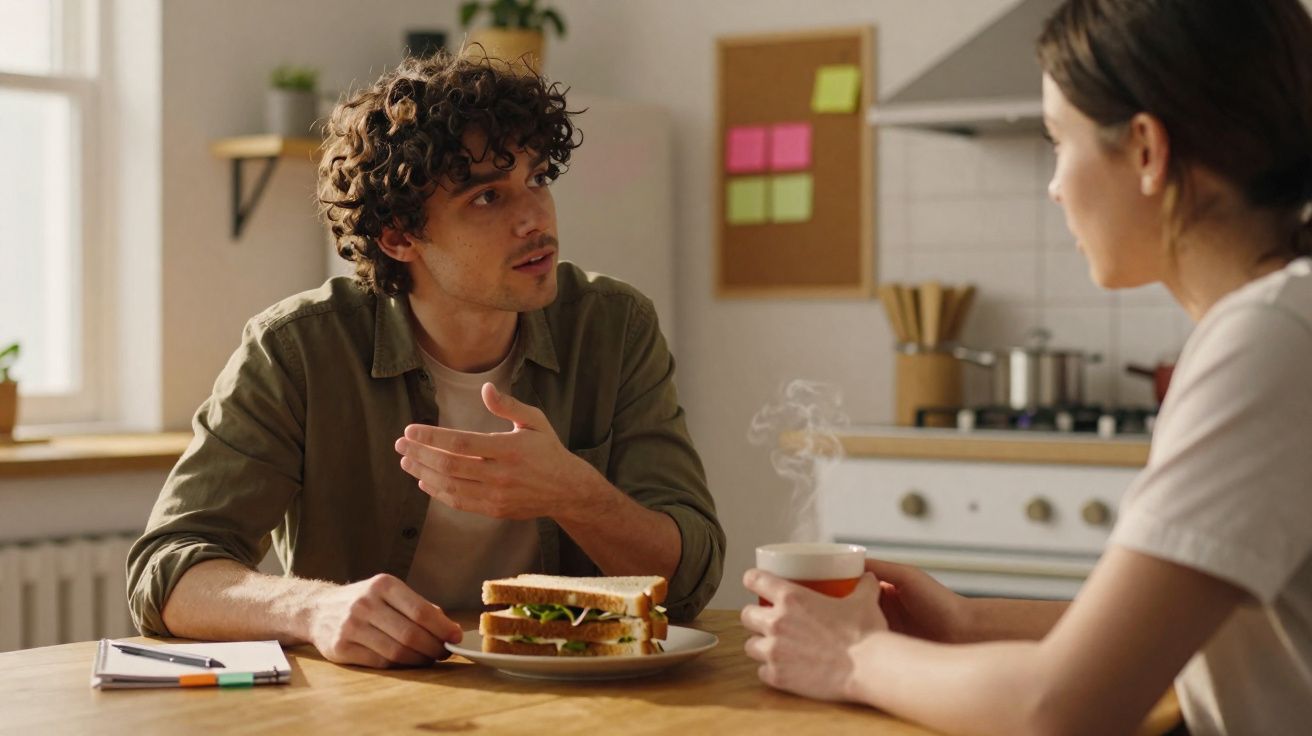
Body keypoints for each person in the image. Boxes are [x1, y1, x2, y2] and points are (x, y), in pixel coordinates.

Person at [740, 0, 1312, 733]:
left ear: (1145, 149)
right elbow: (1152, 637)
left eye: (1057, 141)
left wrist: (851, 657)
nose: (1053, 185)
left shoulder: (1266, 339)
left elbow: (1062, 706)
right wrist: (963, 621)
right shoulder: (1280, 322)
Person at [127, 52, 725, 669]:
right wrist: (313, 610)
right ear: (398, 236)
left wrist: (575, 493)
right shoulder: (297, 349)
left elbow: (686, 584)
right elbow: (167, 571)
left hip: (578, 694)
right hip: (374, 699)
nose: (534, 218)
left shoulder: (613, 326)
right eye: (489, 197)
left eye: (538, 178)